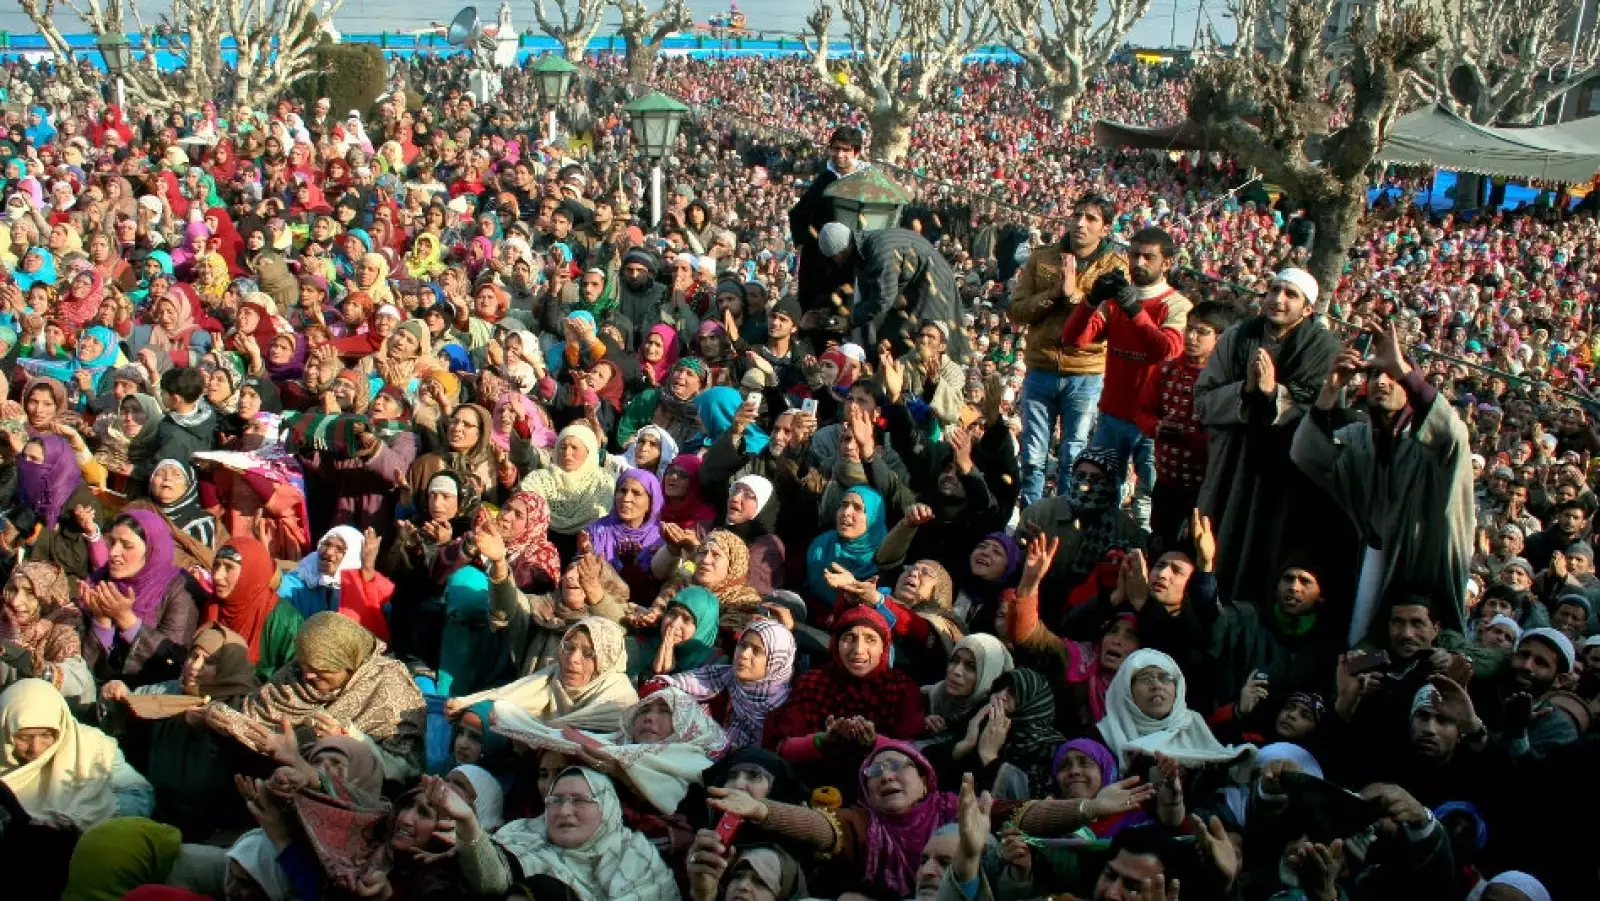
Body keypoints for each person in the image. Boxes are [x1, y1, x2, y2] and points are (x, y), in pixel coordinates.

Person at [1293, 320, 1475, 641]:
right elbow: (1308, 455)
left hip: (1422, 568)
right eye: (1376, 374)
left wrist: (1404, 370)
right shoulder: (1360, 436)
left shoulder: (1428, 443)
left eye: (1393, 377)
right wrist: (1330, 390)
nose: (1383, 383)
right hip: (1370, 563)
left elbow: (1452, 436)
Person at [1196, 268, 1342, 605]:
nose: (1278, 300)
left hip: (1286, 479)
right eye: (1274, 290)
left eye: (1291, 295)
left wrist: (1274, 394)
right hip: (1231, 468)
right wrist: (1246, 391)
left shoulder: (1323, 351)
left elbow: (1326, 416)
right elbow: (1204, 401)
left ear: (1308, 309)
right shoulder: (1237, 339)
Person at [197, 610, 426, 784]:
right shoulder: (295, 676)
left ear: (348, 664)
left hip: (357, 795)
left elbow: (405, 768)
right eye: (304, 664)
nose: (307, 674)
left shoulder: (388, 686)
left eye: (321, 669)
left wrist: (350, 740)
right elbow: (255, 714)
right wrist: (222, 718)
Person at [1061, 227, 1191, 529]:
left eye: (1149, 257)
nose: (1139, 263)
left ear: (1166, 263)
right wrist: (1092, 299)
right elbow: (1073, 338)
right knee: (1100, 492)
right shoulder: (1115, 302)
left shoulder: (1176, 305)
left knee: (1148, 497)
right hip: (1113, 414)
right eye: (1134, 255)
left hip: (1152, 420)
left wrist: (1134, 309)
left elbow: (1167, 351)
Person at [1009, 196, 1129, 505]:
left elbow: (1113, 323)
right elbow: (1016, 311)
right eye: (1077, 215)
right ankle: (1031, 519)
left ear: (1105, 228)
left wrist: (1076, 297)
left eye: (1090, 218)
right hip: (1041, 367)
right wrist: (1052, 294)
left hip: (1086, 373)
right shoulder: (1043, 258)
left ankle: (1063, 519)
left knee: (1073, 456)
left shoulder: (1115, 268)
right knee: (1033, 456)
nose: (1080, 223)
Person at [449, 766, 683, 901]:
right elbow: (491, 880)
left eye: (579, 801)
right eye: (556, 800)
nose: (564, 811)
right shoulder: (523, 834)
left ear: (607, 808)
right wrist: (468, 825)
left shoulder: (637, 860)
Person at [1, 677, 152, 828]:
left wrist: (88, 816)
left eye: (46, 735)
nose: (35, 748)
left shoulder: (93, 747)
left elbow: (140, 796)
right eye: (24, 738)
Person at [450, 616, 639, 731]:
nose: (572, 658)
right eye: (568, 647)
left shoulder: (620, 699)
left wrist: (534, 730)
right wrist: (468, 703)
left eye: (588, 654)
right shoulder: (552, 676)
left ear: (606, 662)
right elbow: (510, 694)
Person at [817, 224, 967, 362]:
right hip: (917, 281)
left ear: (837, 255)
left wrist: (850, 321)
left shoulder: (879, 253)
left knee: (924, 337)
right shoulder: (866, 244)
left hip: (933, 282)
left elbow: (882, 299)